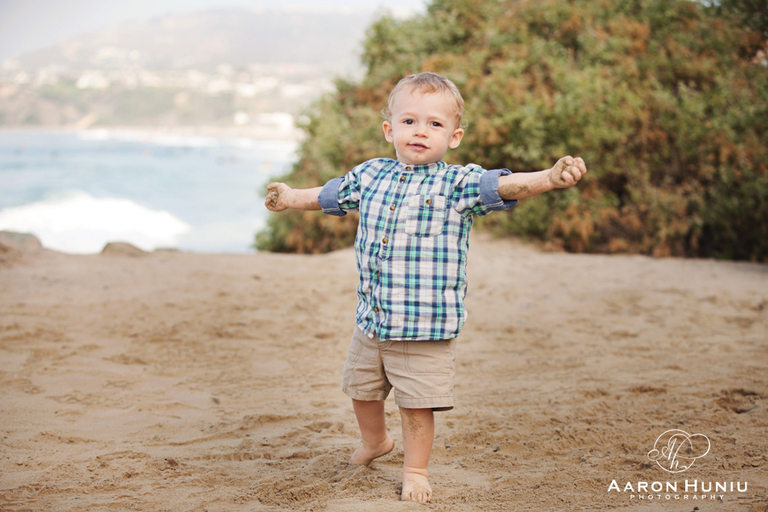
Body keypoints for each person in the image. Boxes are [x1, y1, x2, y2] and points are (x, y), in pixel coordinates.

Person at [264, 72, 587, 503]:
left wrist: (549, 177)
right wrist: (288, 197)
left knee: (416, 404)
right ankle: (375, 441)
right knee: (362, 390)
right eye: (410, 121)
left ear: (454, 137)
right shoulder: (370, 175)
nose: (420, 131)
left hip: (424, 326)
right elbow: (329, 195)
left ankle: (415, 468)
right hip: (373, 319)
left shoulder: (456, 183)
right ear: (389, 129)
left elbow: (502, 185)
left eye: (434, 124)